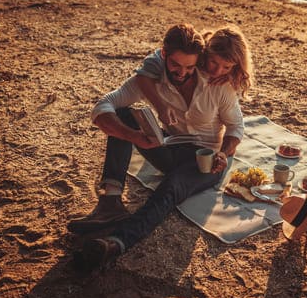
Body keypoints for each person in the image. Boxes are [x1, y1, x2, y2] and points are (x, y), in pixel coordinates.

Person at [69, 23, 253, 271]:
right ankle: (110, 203)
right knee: (122, 115)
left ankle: (116, 243)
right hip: (170, 147)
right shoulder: (153, 75)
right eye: (176, 65)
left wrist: (224, 152)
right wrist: (132, 135)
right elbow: (103, 106)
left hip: (207, 159)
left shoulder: (219, 85)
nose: (181, 72)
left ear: (198, 60)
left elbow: (236, 128)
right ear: (165, 56)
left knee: (170, 189)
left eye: (189, 66)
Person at [135, 25, 254, 127]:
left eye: (226, 67)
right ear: (205, 52)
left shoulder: (226, 82)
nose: (217, 72)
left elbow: (235, 125)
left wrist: (231, 76)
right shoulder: (190, 55)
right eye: (213, 62)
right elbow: (143, 74)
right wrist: (160, 106)